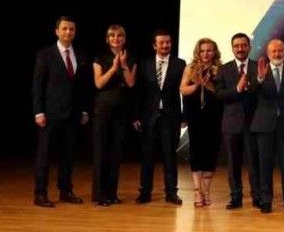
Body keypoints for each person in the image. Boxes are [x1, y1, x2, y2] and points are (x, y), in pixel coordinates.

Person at [31, 15, 91, 207]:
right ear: (57, 31)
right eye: (64, 28)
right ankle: (40, 193)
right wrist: (38, 112)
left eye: (71, 29)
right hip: (50, 113)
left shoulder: (80, 54)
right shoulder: (45, 54)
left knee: (68, 155)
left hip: (73, 113)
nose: (68, 32)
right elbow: (38, 85)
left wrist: (84, 110)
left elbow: (83, 87)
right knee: (45, 155)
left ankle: (66, 191)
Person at [135, 29, 185, 205]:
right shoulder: (145, 64)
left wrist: (184, 116)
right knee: (147, 156)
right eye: (161, 42)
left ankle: (171, 193)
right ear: (154, 45)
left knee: (170, 156)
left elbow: (184, 91)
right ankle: (145, 192)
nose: (165, 45)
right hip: (149, 117)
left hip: (170, 117)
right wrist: (136, 116)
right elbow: (139, 92)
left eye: (168, 42)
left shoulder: (180, 64)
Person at [253, 38, 284, 213]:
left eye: (280, 50)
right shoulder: (259, 71)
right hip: (264, 125)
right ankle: (266, 200)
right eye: (273, 51)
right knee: (265, 165)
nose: (277, 54)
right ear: (268, 54)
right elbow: (252, 92)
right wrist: (260, 78)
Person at [91, 24, 136, 206]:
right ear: (107, 39)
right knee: (101, 151)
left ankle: (112, 193)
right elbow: (99, 84)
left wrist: (123, 65)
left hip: (121, 110)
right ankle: (100, 195)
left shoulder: (130, 58)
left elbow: (131, 83)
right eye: (112, 36)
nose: (116, 39)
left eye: (119, 36)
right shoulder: (100, 58)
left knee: (116, 152)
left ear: (124, 39)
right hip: (103, 109)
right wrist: (113, 67)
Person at [216, 32, 260, 209]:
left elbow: (264, 93)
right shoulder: (224, 69)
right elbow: (219, 94)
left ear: (249, 47)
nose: (240, 49)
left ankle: (257, 196)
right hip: (231, 124)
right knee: (233, 163)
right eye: (236, 46)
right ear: (232, 48)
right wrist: (237, 89)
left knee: (254, 162)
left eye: (243, 45)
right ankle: (236, 197)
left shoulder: (258, 67)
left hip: (254, 123)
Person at [181, 37, 224, 206]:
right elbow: (183, 89)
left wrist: (207, 86)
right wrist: (196, 85)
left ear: (214, 52)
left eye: (209, 50)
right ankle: (197, 191)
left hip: (214, 116)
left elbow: (221, 93)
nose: (205, 54)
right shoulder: (191, 68)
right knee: (196, 151)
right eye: (202, 50)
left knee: (211, 152)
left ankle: (206, 190)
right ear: (198, 52)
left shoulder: (220, 69)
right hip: (195, 116)